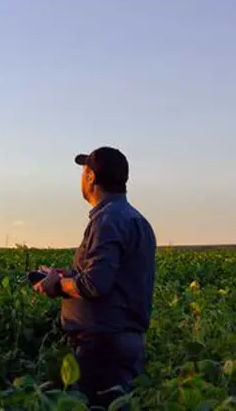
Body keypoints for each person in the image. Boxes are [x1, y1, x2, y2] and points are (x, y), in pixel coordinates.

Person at [32, 146, 156, 410]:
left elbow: (95, 284)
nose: (81, 178)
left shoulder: (107, 220)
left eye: (84, 172)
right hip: (124, 340)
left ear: (91, 177)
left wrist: (58, 285)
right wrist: (66, 275)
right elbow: (113, 276)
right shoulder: (138, 220)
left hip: (102, 345)